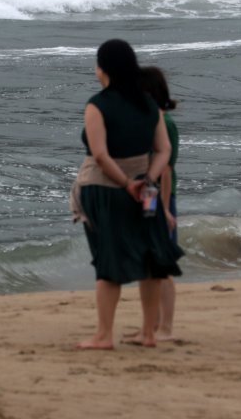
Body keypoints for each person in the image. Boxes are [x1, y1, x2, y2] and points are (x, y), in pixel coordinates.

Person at [70, 39, 182, 350]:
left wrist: (125, 183)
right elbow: (164, 151)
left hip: (106, 190)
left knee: (108, 261)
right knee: (150, 261)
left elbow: (101, 155)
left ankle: (104, 335)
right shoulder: (149, 104)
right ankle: (148, 333)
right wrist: (146, 179)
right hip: (146, 190)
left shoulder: (97, 105)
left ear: (102, 69)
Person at [140, 66, 180, 341]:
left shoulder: (163, 124)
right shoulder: (151, 120)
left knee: (160, 265)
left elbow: (165, 169)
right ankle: (151, 325)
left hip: (159, 197)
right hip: (148, 197)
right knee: (149, 263)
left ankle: (165, 327)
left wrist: (164, 209)